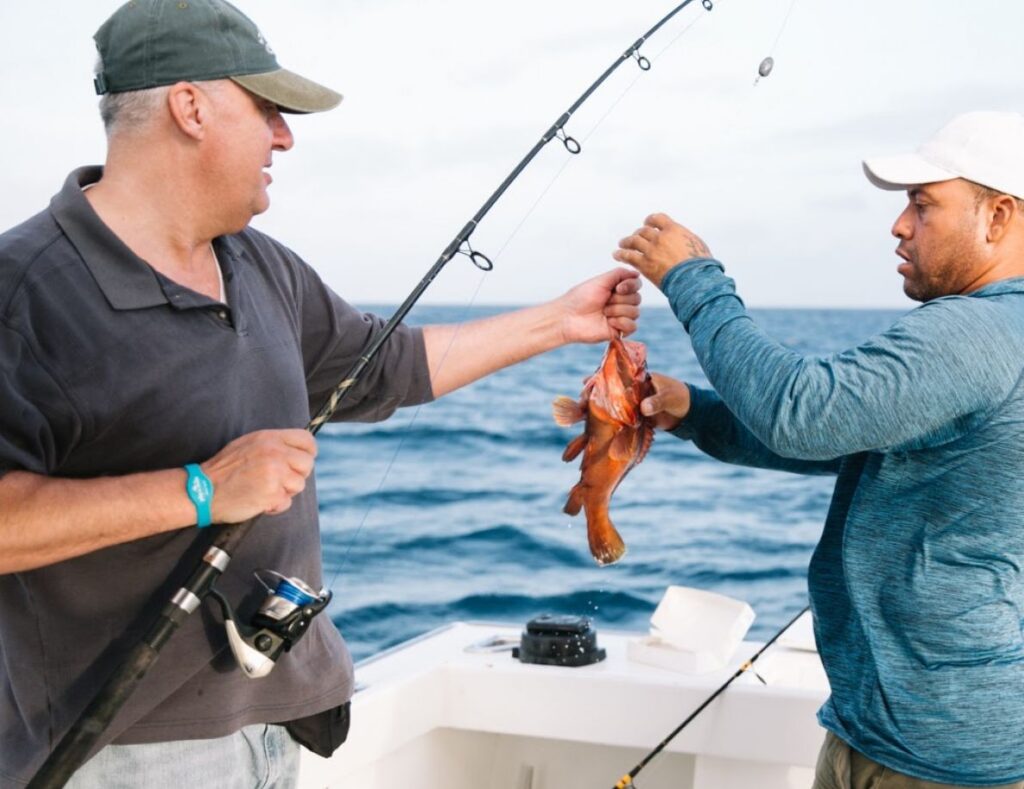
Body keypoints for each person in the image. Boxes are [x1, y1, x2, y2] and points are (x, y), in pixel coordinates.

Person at [0, 1, 642, 786]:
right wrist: (203, 488)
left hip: (281, 722)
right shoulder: (23, 291)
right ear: (190, 107)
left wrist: (560, 321)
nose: (285, 136)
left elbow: (386, 366)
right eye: (266, 108)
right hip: (124, 754)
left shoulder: (261, 264)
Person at [614, 111, 1024, 789]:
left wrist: (692, 279)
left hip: (935, 759)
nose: (900, 225)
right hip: (882, 730)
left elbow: (801, 413)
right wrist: (694, 412)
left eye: (923, 205)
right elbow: (841, 440)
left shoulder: (977, 331)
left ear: (999, 217)